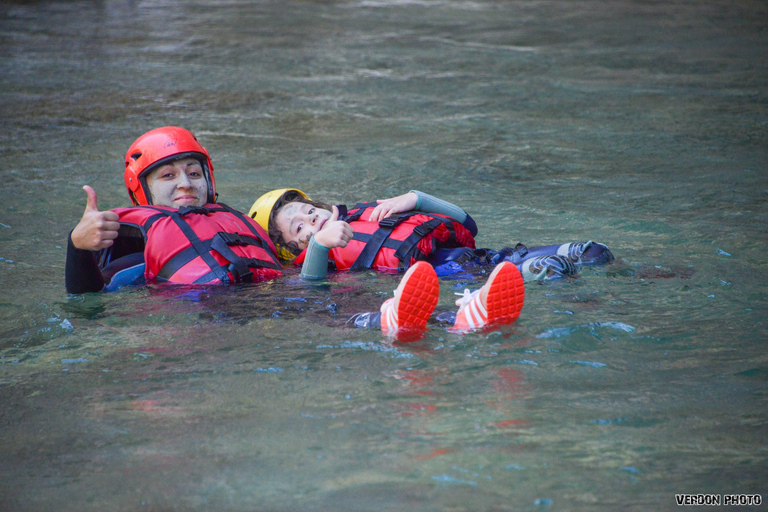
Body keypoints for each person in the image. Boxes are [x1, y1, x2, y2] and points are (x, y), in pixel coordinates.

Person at [64, 126, 524, 339]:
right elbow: (87, 301)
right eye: (168, 177)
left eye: (193, 171)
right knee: (321, 311)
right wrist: (77, 246)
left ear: (209, 177)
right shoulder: (129, 232)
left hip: (274, 293)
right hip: (213, 312)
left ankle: (460, 320)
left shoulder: (239, 222)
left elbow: (297, 263)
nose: (185, 183)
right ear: (140, 189)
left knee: (337, 297)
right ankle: (398, 323)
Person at [248, 188, 613, 282]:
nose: (310, 220)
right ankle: (533, 274)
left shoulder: (370, 213)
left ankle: (536, 268)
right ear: (291, 249)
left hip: (478, 256)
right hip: (446, 278)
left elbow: (466, 225)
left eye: (310, 211)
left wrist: (415, 198)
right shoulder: (320, 259)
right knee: (551, 269)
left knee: (594, 252)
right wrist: (319, 245)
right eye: (300, 228)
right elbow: (311, 286)